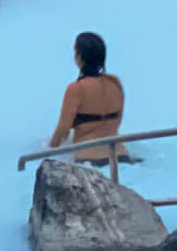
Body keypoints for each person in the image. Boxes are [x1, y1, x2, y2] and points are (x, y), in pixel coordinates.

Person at [49, 31, 129, 165]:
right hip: (122, 157)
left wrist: (49, 150)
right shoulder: (115, 83)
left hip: (88, 160)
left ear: (79, 57)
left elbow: (63, 129)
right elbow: (118, 120)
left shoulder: (76, 89)